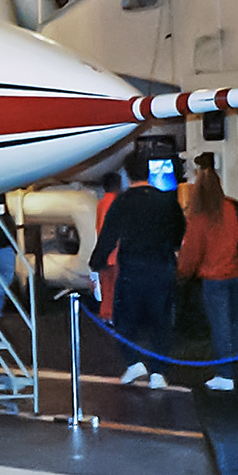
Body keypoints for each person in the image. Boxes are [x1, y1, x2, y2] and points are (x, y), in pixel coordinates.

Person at [89, 153, 186, 389]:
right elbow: (179, 232)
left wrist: (96, 264)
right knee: (160, 321)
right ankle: (158, 373)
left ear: (127, 174)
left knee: (124, 318)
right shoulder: (167, 201)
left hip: (132, 267)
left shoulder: (123, 202)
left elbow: (108, 236)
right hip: (161, 266)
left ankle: (134, 362)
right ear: (149, 173)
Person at [177, 153, 238, 391]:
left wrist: (182, 273)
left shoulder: (199, 216)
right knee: (237, 321)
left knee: (220, 325)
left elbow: (191, 253)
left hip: (215, 279)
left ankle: (225, 375)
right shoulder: (233, 208)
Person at [93, 171, 122, 321]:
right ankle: (111, 316)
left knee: (106, 289)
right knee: (114, 289)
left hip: (104, 253)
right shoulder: (114, 204)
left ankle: (106, 315)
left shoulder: (101, 203)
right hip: (114, 254)